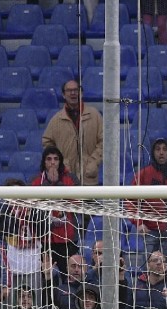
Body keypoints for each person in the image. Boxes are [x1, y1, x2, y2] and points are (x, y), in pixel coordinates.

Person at [42, 80, 104, 186]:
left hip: (88, 178)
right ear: (63, 94)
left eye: (76, 90)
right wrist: (60, 162)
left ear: (81, 93)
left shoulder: (95, 115)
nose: (73, 93)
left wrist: (94, 161)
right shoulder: (56, 119)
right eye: (69, 90)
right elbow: (47, 142)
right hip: (66, 179)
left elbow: (104, 141)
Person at [29, 146, 81, 274]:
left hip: (67, 238)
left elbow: (78, 203)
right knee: (45, 276)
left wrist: (58, 185)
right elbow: (32, 206)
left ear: (60, 161)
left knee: (68, 275)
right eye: (49, 159)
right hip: (45, 239)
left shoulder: (71, 179)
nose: (52, 162)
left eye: (56, 159)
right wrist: (47, 186)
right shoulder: (36, 181)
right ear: (44, 162)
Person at [128, 138, 167, 258]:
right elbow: (131, 202)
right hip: (150, 231)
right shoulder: (144, 174)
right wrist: (139, 223)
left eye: (165, 149)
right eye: (158, 149)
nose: (161, 152)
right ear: (152, 152)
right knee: (150, 268)